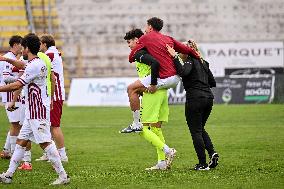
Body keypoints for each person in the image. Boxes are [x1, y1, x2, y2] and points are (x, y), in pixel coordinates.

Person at [0, 33, 70, 185]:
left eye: (23, 48)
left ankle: (63, 176)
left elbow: (18, 84)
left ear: (26, 49)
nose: (21, 51)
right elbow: (22, 66)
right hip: (32, 112)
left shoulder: (34, 65)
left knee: (45, 143)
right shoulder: (37, 62)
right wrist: (6, 59)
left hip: (37, 112)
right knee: (21, 141)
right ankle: (9, 175)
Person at [122, 17, 200, 133]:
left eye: (146, 26)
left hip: (163, 79)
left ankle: (136, 124)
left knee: (131, 89)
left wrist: (153, 84)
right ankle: (166, 150)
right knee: (155, 127)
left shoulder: (146, 38)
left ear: (149, 27)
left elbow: (137, 57)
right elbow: (186, 50)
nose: (145, 29)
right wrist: (197, 55)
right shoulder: (167, 38)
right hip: (175, 78)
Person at [121, 29, 176, 170]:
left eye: (129, 42)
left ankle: (168, 151)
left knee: (142, 129)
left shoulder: (141, 53)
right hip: (162, 93)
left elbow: (154, 64)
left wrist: (151, 85)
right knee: (156, 129)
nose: (128, 45)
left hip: (153, 92)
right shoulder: (151, 49)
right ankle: (162, 163)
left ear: (137, 39)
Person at [166, 40, 219, 171]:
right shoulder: (203, 62)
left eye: (180, 50)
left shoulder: (190, 60)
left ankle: (202, 164)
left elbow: (184, 72)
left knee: (195, 131)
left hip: (195, 98)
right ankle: (212, 153)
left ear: (186, 51)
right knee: (200, 128)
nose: (179, 52)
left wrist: (174, 57)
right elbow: (212, 82)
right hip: (208, 98)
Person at [35, 34, 68, 163]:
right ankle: (50, 153)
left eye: (40, 43)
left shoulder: (50, 54)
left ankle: (62, 155)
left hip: (55, 95)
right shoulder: (53, 53)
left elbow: (35, 65)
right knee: (49, 125)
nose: (39, 46)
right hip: (52, 94)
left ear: (44, 44)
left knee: (54, 126)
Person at [0, 35, 24, 159]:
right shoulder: (8, 58)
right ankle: (15, 153)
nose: (22, 46)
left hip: (13, 93)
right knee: (16, 124)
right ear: (15, 44)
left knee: (17, 123)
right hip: (10, 94)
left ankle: (6, 150)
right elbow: (6, 78)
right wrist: (22, 80)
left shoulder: (11, 58)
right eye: (21, 44)